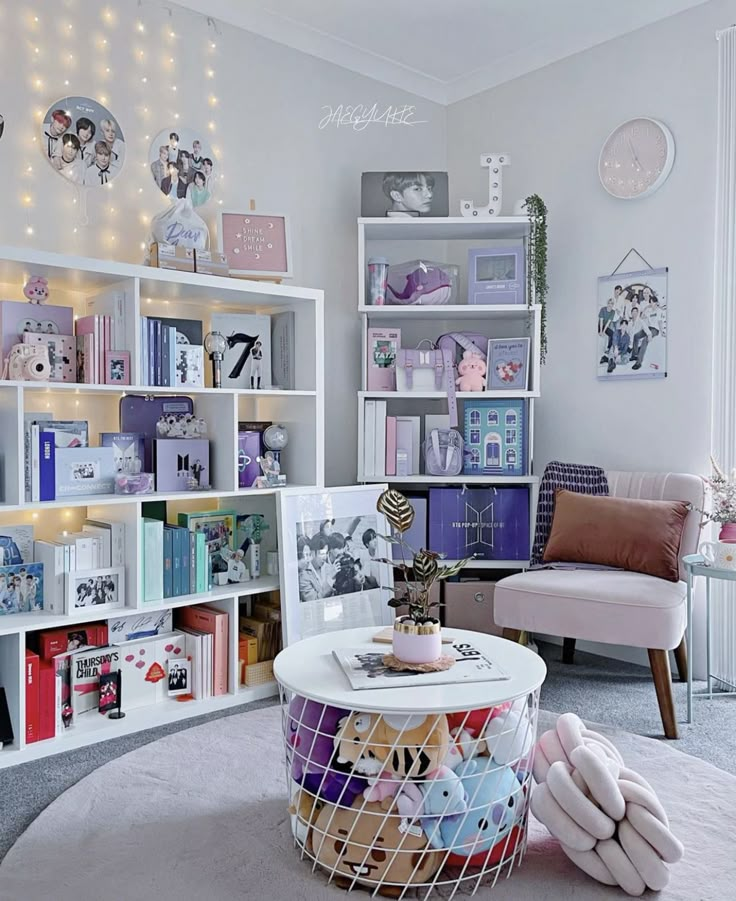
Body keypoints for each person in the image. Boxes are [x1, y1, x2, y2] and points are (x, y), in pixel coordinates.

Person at [297, 536, 322, 602]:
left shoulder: (308, 571)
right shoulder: (300, 577)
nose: (309, 559)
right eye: (306, 555)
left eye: (309, 555)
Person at [628, 306, 652, 371]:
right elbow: (628, 333)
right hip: (630, 344)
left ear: (638, 313)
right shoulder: (629, 323)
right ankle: (633, 356)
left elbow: (646, 329)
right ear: (631, 313)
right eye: (633, 312)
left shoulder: (641, 321)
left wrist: (649, 335)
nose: (634, 313)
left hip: (637, 344)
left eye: (636, 312)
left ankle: (637, 358)